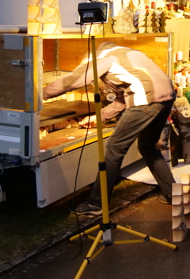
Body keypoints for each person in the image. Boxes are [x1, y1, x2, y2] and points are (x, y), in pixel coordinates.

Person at [43, 42, 176, 215]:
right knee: (147, 147)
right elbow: (123, 98)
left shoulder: (101, 57)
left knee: (114, 149)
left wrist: (41, 94)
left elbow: (76, 79)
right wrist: (99, 117)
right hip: (166, 98)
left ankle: (96, 204)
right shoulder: (126, 53)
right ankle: (173, 194)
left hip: (146, 99)